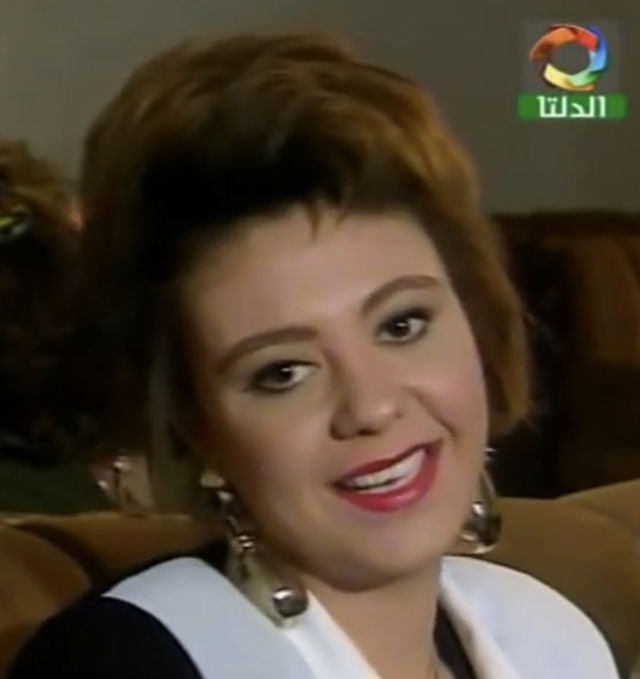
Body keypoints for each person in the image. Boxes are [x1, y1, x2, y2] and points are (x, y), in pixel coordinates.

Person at [8, 33, 619, 679]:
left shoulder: (548, 634)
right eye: (283, 372)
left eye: (402, 325)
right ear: (195, 427)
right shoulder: (125, 663)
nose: (371, 406)